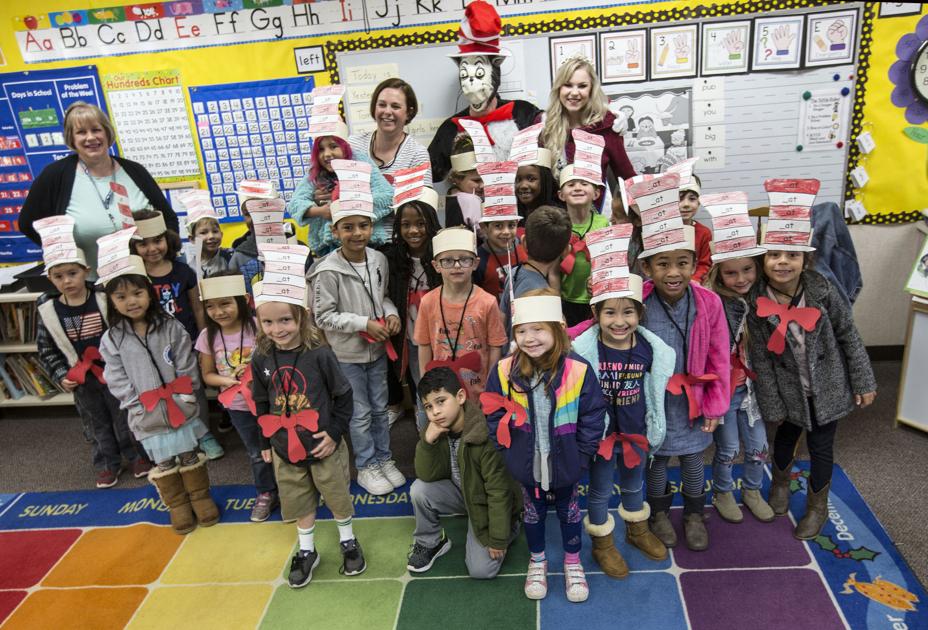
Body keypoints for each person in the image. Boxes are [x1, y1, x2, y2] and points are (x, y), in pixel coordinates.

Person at [747, 179, 876, 540]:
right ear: (764, 260)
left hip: (827, 386)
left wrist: (864, 381)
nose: (782, 262)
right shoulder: (759, 302)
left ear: (806, 260)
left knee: (821, 446)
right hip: (789, 391)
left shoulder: (823, 289)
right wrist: (771, 403)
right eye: (774, 255)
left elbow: (848, 334)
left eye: (792, 256)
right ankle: (781, 484)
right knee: (785, 437)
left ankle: (818, 506)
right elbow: (761, 358)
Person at [250, 252, 366, 587]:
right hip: (285, 447)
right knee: (299, 499)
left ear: (302, 316)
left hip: (322, 444)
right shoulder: (261, 358)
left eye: (285, 320)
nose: (277, 329)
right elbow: (260, 401)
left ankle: (347, 540)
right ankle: (307, 550)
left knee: (336, 495)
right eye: (268, 322)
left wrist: (333, 433)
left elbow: (344, 397)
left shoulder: (320, 355)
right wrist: (264, 444)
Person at [484, 290, 607, 603]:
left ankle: (572, 560)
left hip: (566, 460)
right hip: (527, 462)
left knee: (569, 512)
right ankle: (537, 559)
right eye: (522, 330)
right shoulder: (502, 371)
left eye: (539, 329)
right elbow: (493, 411)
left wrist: (582, 455)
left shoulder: (579, 371)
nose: (530, 338)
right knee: (533, 513)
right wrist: (506, 451)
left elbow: (593, 415)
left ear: (558, 328)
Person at [630, 173, 729, 552]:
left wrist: (716, 402)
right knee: (655, 462)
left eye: (682, 263)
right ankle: (657, 513)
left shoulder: (709, 303)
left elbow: (720, 356)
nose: (673, 273)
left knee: (691, 460)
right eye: (663, 264)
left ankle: (692, 512)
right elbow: (604, 324)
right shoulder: (640, 301)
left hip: (694, 400)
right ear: (648, 268)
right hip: (653, 399)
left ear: (694, 263)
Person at [573, 228, 674, 576]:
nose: (619, 321)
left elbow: (653, 393)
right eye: (610, 313)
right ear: (596, 315)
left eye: (628, 312)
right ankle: (603, 543)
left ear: (640, 314)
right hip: (601, 438)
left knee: (634, 484)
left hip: (635, 434)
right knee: (599, 491)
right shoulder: (585, 350)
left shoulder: (649, 350)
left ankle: (637, 530)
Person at [98, 241, 218, 535]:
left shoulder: (170, 326)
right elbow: (115, 377)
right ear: (112, 301)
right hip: (146, 412)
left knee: (189, 454)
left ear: (150, 294)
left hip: (180, 404)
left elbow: (186, 361)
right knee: (163, 461)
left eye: (138, 293)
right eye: (122, 296)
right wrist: (135, 404)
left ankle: (200, 497)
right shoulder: (112, 339)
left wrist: (186, 394)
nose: (132, 301)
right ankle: (177, 505)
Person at [33, 217, 150, 488]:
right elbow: (46, 350)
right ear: (50, 278)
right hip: (82, 380)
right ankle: (107, 462)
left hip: (114, 372)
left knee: (125, 414)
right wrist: (61, 375)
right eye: (58, 276)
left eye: (72, 273)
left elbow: (122, 332)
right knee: (95, 422)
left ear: (86, 271)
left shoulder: (102, 298)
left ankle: (136, 456)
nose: (66, 281)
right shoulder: (47, 310)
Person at [307, 176, 405, 497]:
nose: (357, 233)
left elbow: (382, 296)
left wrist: (390, 313)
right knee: (359, 413)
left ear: (371, 227)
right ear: (335, 231)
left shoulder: (378, 260)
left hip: (377, 352)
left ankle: (384, 458)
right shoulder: (326, 270)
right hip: (347, 356)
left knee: (380, 409)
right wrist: (363, 323)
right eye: (347, 227)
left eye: (363, 226)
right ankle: (365, 465)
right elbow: (324, 316)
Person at [19, 101, 179, 272]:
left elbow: (168, 219)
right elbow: (28, 223)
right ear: (71, 138)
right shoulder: (56, 175)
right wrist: (62, 258)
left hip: (146, 282)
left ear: (107, 133)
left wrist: (166, 264)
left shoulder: (134, 171)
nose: (90, 137)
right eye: (81, 132)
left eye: (96, 130)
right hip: (91, 285)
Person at [407, 366, 521, 577]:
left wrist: (498, 538)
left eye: (441, 401)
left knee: (481, 571)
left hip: (485, 502)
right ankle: (431, 541)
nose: (435, 412)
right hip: (464, 494)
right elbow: (427, 475)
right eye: (428, 407)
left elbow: (499, 492)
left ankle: (510, 526)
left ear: (460, 396)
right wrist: (426, 443)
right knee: (418, 490)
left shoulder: (483, 434)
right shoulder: (436, 428)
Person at [701, 193, 774, 524]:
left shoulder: (761, 297)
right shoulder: (714, 302)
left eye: (748, 270)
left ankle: (753, 490)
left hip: (752, 392)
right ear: (719, 274)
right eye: (732, 273)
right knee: (728, 447)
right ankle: (723, 491)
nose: (741, 279)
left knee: (758, 445)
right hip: (725, 391)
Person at [131, 210, 224, 460]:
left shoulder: (183, 272)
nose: (152, 248)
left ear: (168, 240)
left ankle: (203, 433)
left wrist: (204, 341)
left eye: (157, 240)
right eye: (143, 243)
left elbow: (197, 307)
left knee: (192, 388)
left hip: (188, 342)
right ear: (133, 246)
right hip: (153, 345)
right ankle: (174, 436)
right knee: (162, 389)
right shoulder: (137, 277)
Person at [195, 271, 279, 522]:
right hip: (238, 405)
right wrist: (228, 380)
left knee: (283, 444)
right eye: (211, 306)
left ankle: (294, 489)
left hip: (271, 401)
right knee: (256, 451)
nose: (219, 312)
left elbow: (277, 359)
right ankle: (266, 492)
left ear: (243, 299)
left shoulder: (258, 327)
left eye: (225, 303)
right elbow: (207, 375)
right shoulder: (207, 336)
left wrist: (254, 371)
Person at [428, 0, 541, 182]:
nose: (471, 82)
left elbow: (547, 158)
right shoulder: (452, 127)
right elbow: (431, 174)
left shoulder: (523, 114)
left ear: (495, 70)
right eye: (465, 73)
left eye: (479, 73)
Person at [289, 87, 394, 257]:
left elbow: (387, 195)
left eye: (333, 146)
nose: (327, 154)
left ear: (344, 147)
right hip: (329, 250)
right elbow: (295, 203)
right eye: (321, 150)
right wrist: (320, 211)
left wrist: (351, 204)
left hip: (368, 246)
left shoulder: (361, 163)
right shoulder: (316, 175)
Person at [414, 228, 507, 403]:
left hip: (477, 391)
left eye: (464, 259)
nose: (457, 266)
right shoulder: (428, 302)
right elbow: (424, 345)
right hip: (439, 391)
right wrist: (425, 384)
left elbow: (495, 347)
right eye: (447, 260)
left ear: (475, 263)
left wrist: (490, 386)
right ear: (436, 266)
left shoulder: (487, 302)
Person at [383, 170, 443, 429]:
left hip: (445, 337)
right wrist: (390, 313)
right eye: (405, 225)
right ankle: (426, 438)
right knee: (424, 392)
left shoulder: (443, 253)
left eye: (420, 223)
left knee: (447, 389)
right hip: (414, 340)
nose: (413, 230)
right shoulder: (392, 258)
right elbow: (384, 295)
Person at [540, 57, 636, 188]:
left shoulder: (607, 126)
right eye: (568, 85)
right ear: (558, 88)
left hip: (598, 207)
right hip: (555, 207)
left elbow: (627, 176)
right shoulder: (545, 126)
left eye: (582, 86)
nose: (574, 92)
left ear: (591, 89)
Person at [557, 132, 610, 327]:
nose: (577, 188)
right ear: (561, 195)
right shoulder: (558, 225)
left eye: (584, 184)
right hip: (565, 299)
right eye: (571, 184)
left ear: (596, 193)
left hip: (594, 298)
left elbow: (607, 260)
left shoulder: (603, 224)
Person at [500, 206, 571, 337]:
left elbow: (502, 318)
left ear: (523, 241)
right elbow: (560, 335)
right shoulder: (539, 292)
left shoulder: (515, 272)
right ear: (566, 251)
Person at [349, 78, 431, 186]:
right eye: (382, 105)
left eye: (395, 106)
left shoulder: (417, 155)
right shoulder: (353, 145)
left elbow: (424, 200)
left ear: (409, 113)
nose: (387, 111)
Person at [474, 161, 526, 299]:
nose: (506, 232)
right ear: (484, 228)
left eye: (511, 225)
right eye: (498, 226)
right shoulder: (479, 261)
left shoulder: (524, 249)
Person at [677, 172, 712, 283]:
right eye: (679, 199)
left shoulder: (704, 233)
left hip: (693, 284)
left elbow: (704, 263)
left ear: (698, 202)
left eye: (692, 199)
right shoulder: (662, 230)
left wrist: (695, 280)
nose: (686, 204)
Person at [185, 201, 234, 278]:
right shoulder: (189, 269)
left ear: (221, 234)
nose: (211, 236)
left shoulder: (231, 257)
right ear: (192, 239)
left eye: (215, 231)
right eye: (203, 233)